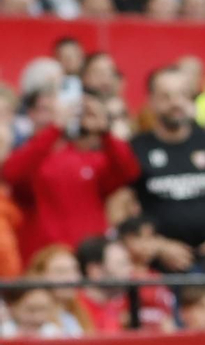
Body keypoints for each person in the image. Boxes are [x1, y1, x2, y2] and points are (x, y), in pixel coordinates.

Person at [1, 84, 140, 261]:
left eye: (63, 109)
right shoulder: (25, 156)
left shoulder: (87, 158)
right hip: (46, 261)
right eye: (45, 109)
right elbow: (13, 174)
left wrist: (105, 131)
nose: (57, 114)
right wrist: (55, 128)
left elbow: (129, 172)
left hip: (91, 260)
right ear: (30, 113)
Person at [130, 66, 205, 256]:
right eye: (166, 96)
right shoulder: (136, 149)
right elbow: (118, 210)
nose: (175, 103)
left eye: (182, 95)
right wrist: (159, 246)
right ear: (151, 101)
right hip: (155, 262)